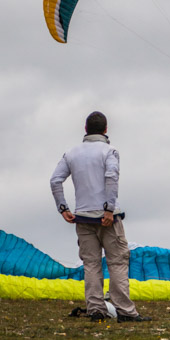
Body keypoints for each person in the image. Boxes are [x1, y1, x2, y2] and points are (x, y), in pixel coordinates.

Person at [50, 111, 150, 323]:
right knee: (117, 263)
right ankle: (125, 310)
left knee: (91, 264)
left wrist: (63, 208)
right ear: (106, 130)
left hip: (82, 217)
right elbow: (111, 177)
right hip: (108, 217)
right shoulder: (110, 151)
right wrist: (108, 209)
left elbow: (55, 180)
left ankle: (95, 309)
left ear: (85, 129)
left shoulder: (71, 153)